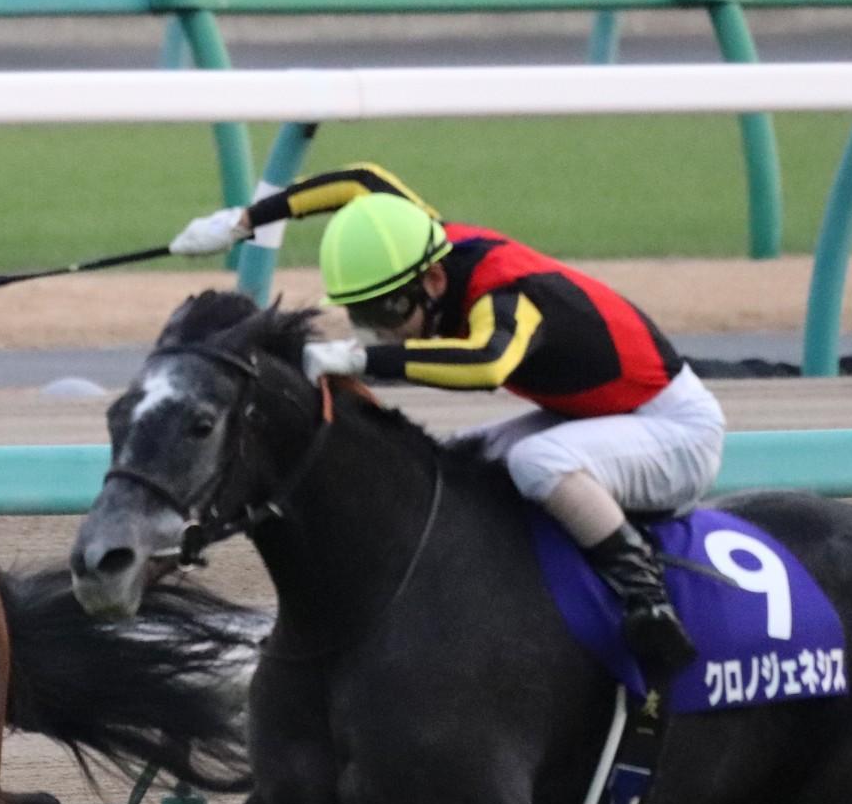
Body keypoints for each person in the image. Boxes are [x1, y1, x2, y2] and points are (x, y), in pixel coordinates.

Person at [171, 163, 725, 681]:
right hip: (604, 416)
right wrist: (243, 221)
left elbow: (487, 362)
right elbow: (362, 181)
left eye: (390, 310)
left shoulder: (508, 297)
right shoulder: (424, 235)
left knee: (539, 462)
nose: (383, 329)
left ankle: (648, 600)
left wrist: (363, 359)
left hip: (676, 431)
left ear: (434, 281)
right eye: (365, 314)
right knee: (458, 459)